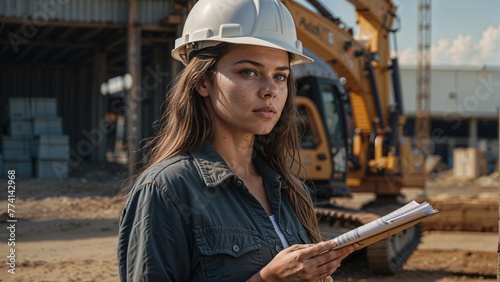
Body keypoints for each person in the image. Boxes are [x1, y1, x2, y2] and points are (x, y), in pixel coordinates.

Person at [117, 0, 357, 281]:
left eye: (280, 76)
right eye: (249, 72)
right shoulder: (166, 191)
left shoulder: (292, 191)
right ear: (202, 82)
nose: (270, 90)